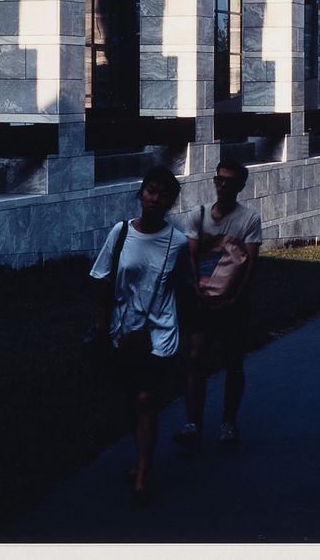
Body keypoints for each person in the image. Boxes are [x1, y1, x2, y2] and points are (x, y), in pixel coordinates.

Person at [90, 163, 190, 504]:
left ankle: (143, 473)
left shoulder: (177, 243)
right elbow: (102, 279)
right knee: (133, 401)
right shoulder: (120, 234)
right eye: (150, 191)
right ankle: (140, 458)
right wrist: (102, 325)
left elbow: (185, 288)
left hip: (160, 333)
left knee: (147, 400)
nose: (155, 198)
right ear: (140, 193)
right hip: (124, 330)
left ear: (171, 201)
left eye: (164, 194)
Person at [172, 159, 263, 450]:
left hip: (233, 302)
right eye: (219, 179)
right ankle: (193, 424)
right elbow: (192, 258)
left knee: (233, 362)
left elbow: (250, 264)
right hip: (201, 301)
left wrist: (237, 296)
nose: (223, 185)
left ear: (240, 186)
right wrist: (196, 289)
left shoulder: (249, 219)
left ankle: (227, 422)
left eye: (230, 181)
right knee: (197, 358)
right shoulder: (198, 215)